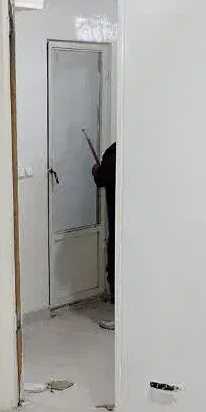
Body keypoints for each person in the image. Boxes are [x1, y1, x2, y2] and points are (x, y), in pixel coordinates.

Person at [92, 141, 116, 330]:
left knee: (116, 259)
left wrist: (96, 170)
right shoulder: (142, 148)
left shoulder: (114, 151)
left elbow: (101, 179)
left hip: (117, 216)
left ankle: (120, 317)